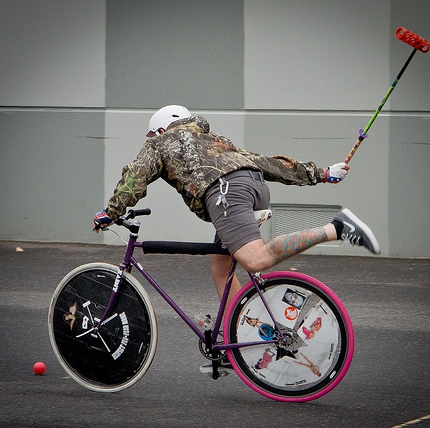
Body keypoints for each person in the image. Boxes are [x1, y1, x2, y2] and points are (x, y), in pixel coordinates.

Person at [93, 105, 380, 373]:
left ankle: (337, 228)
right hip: (253, 188)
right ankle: (236, 345)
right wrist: (321, 173)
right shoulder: (214, 140)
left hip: (226, 195)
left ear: (159, 129)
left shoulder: (161, 142)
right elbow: (263, 162)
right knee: (221, 269)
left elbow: (136, 176)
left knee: (256, 259)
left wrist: (111, 211)